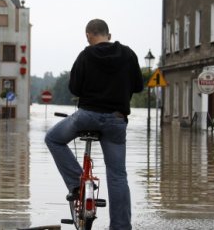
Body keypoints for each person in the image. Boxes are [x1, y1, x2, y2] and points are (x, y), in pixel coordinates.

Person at [44, 19, 143, 230]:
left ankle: (76, 184)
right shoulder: (128, 55)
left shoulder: (86, 55)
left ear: (89, 35)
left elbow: (74, 88)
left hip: (87, 116)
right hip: (116, 119)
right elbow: (138, 86)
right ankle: (121, 226)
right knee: (117, 174)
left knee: (52, 138)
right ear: (108, 34)